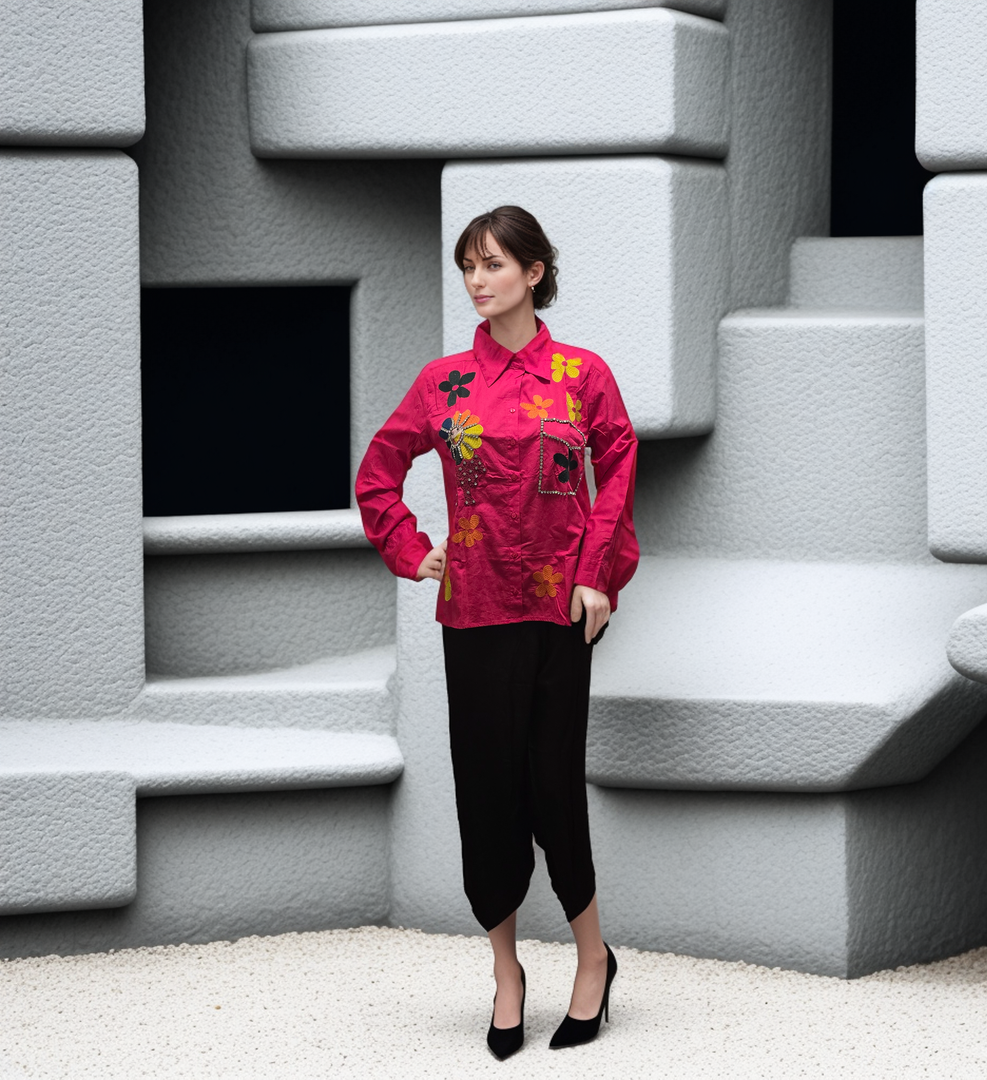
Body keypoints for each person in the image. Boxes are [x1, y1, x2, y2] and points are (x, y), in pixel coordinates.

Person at [355, 205, 638, 1060]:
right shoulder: (442, 383)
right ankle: (507, 974)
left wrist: (598, 575)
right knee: (487, 794)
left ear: (535, 272)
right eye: (468, 267)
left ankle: (594, 960)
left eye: (493, 266)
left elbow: (617, 464)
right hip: (473, 613)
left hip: (558, 613)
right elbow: (379, 472)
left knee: (554, 789)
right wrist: (414, 551)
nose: (478, 282)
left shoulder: (582, 375)